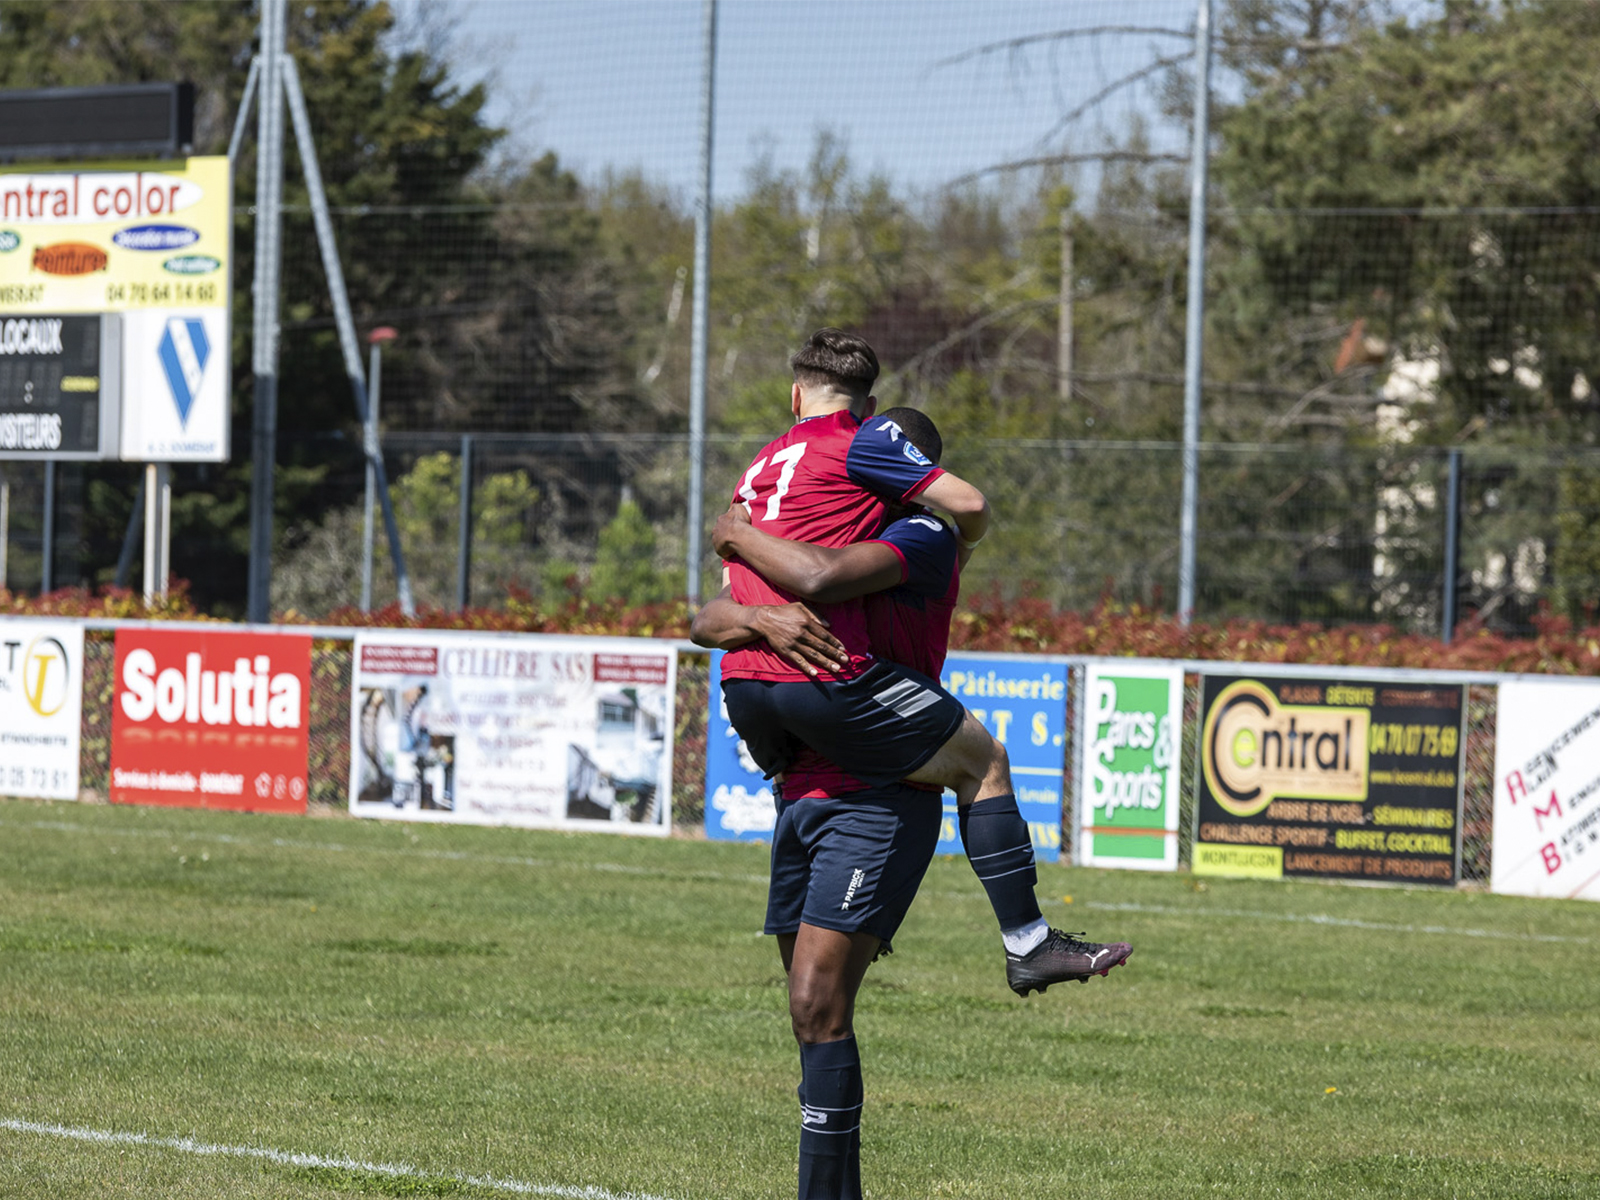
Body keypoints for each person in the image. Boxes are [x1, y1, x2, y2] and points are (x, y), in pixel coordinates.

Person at [694, 401, 1129, 1200]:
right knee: (809, 1013)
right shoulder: (828, 527)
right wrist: (756, 613)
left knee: (981, 763)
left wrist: (737, 532)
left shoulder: (924, 533)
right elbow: (712, 616)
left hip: (879, 794)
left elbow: (818, 576)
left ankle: (1026, 939)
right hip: (805, 790)